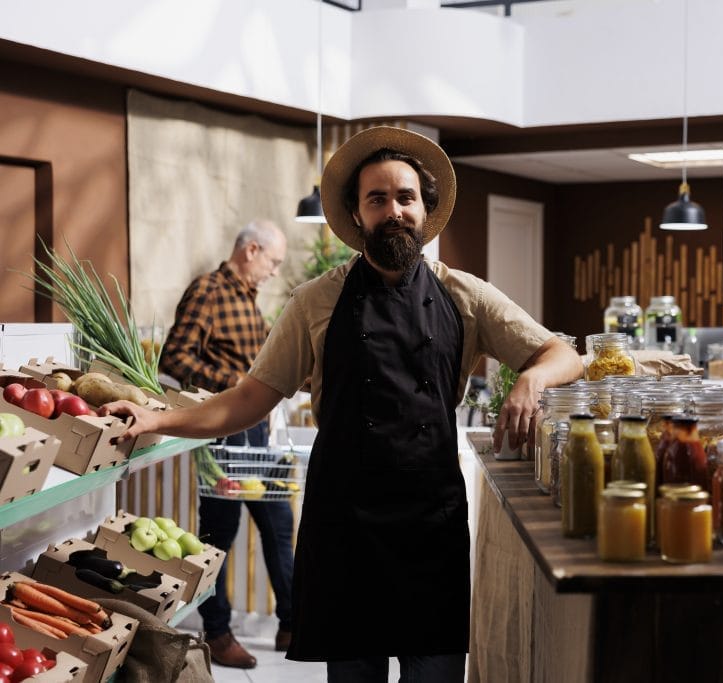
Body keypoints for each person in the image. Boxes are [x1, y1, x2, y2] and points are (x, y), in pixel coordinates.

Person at [103, 126, 583, 682]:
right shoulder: (316, 301)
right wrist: (157, 418)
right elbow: (250, 399)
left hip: (431, 528)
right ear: (357, 215)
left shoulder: (465, 295)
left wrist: (531, 381)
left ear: (426, 208)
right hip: (346, 528)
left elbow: (561, 353)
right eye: (376, 199)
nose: (393, 210)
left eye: (405, 197)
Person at [159, 219, 293, 669]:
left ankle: (293, 623)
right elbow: (174, 358)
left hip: (257, 430)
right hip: (225, 430)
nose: (275, 272)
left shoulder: (248, 299)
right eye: (273, 262)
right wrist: (238, 387)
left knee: (279, 526)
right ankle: (216, 632)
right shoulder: (208, 291)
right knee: (219, 534)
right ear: (251, 251)